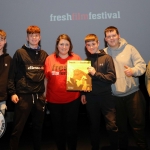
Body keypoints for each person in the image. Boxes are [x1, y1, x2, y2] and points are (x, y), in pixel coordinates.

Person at [104, 26, 148, 150]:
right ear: (105, 39)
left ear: (118, 35)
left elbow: (142, 66)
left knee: (138, 126)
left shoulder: (130, 49)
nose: (111, 38)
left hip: (133, 94)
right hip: (115, 97)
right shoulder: (104, 53)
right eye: (109, 36)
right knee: (120, 128)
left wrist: (133, 70)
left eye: (113, 35)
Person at [7, 25, 48, 150]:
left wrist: (45, 94)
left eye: (36, 35)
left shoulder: (44, 54)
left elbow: (46, 76)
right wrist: (12, 93)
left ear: (40, 37)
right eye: (31, 35)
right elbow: (11, 75)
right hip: (24, 96)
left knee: (38, 128)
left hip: (39, 96)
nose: (34, 38)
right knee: (18, 128)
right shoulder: (20, 53)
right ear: (27, 37)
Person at [81, 34, 118, 150]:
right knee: (94, 126)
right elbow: (83, 81)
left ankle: (115, 147)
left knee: (112, 125)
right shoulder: (85, 61)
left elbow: (112, 78)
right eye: (88, 45)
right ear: (86, 46)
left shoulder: (107, 58)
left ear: (98, 44)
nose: (91, 47)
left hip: (106, 97)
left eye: (93, 44)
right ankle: (95, 147)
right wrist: (83, 93)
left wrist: (95, 73)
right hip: (91, 98)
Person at [44, 34, 81, 150]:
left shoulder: (76, 58)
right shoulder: (49, 59)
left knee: (71, 130)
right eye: (61, 44)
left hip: (72, 100)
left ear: (70, 46)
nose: (64, 47)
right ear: (57, 45)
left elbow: (81, 79)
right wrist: (44, 96)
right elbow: (46, 79)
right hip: (54, 101)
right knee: (57, 130)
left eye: (66, 44)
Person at [0, 29, 12, 115]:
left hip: (2, 100)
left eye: (1, 39)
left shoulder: (9, 59)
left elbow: (11, 79)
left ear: (5, 41)